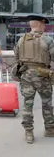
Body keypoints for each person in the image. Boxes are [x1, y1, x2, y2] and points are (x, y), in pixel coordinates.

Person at [14, 15, 54, 144]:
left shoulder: (21, 40)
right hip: (43, 75)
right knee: (47, 103)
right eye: (44, 24)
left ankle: (29, 132)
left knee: (27, 104)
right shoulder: (48, 40)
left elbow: (16, 57)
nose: (44, 27)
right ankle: (49, 129)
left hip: (26, 75)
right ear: (39, 24)